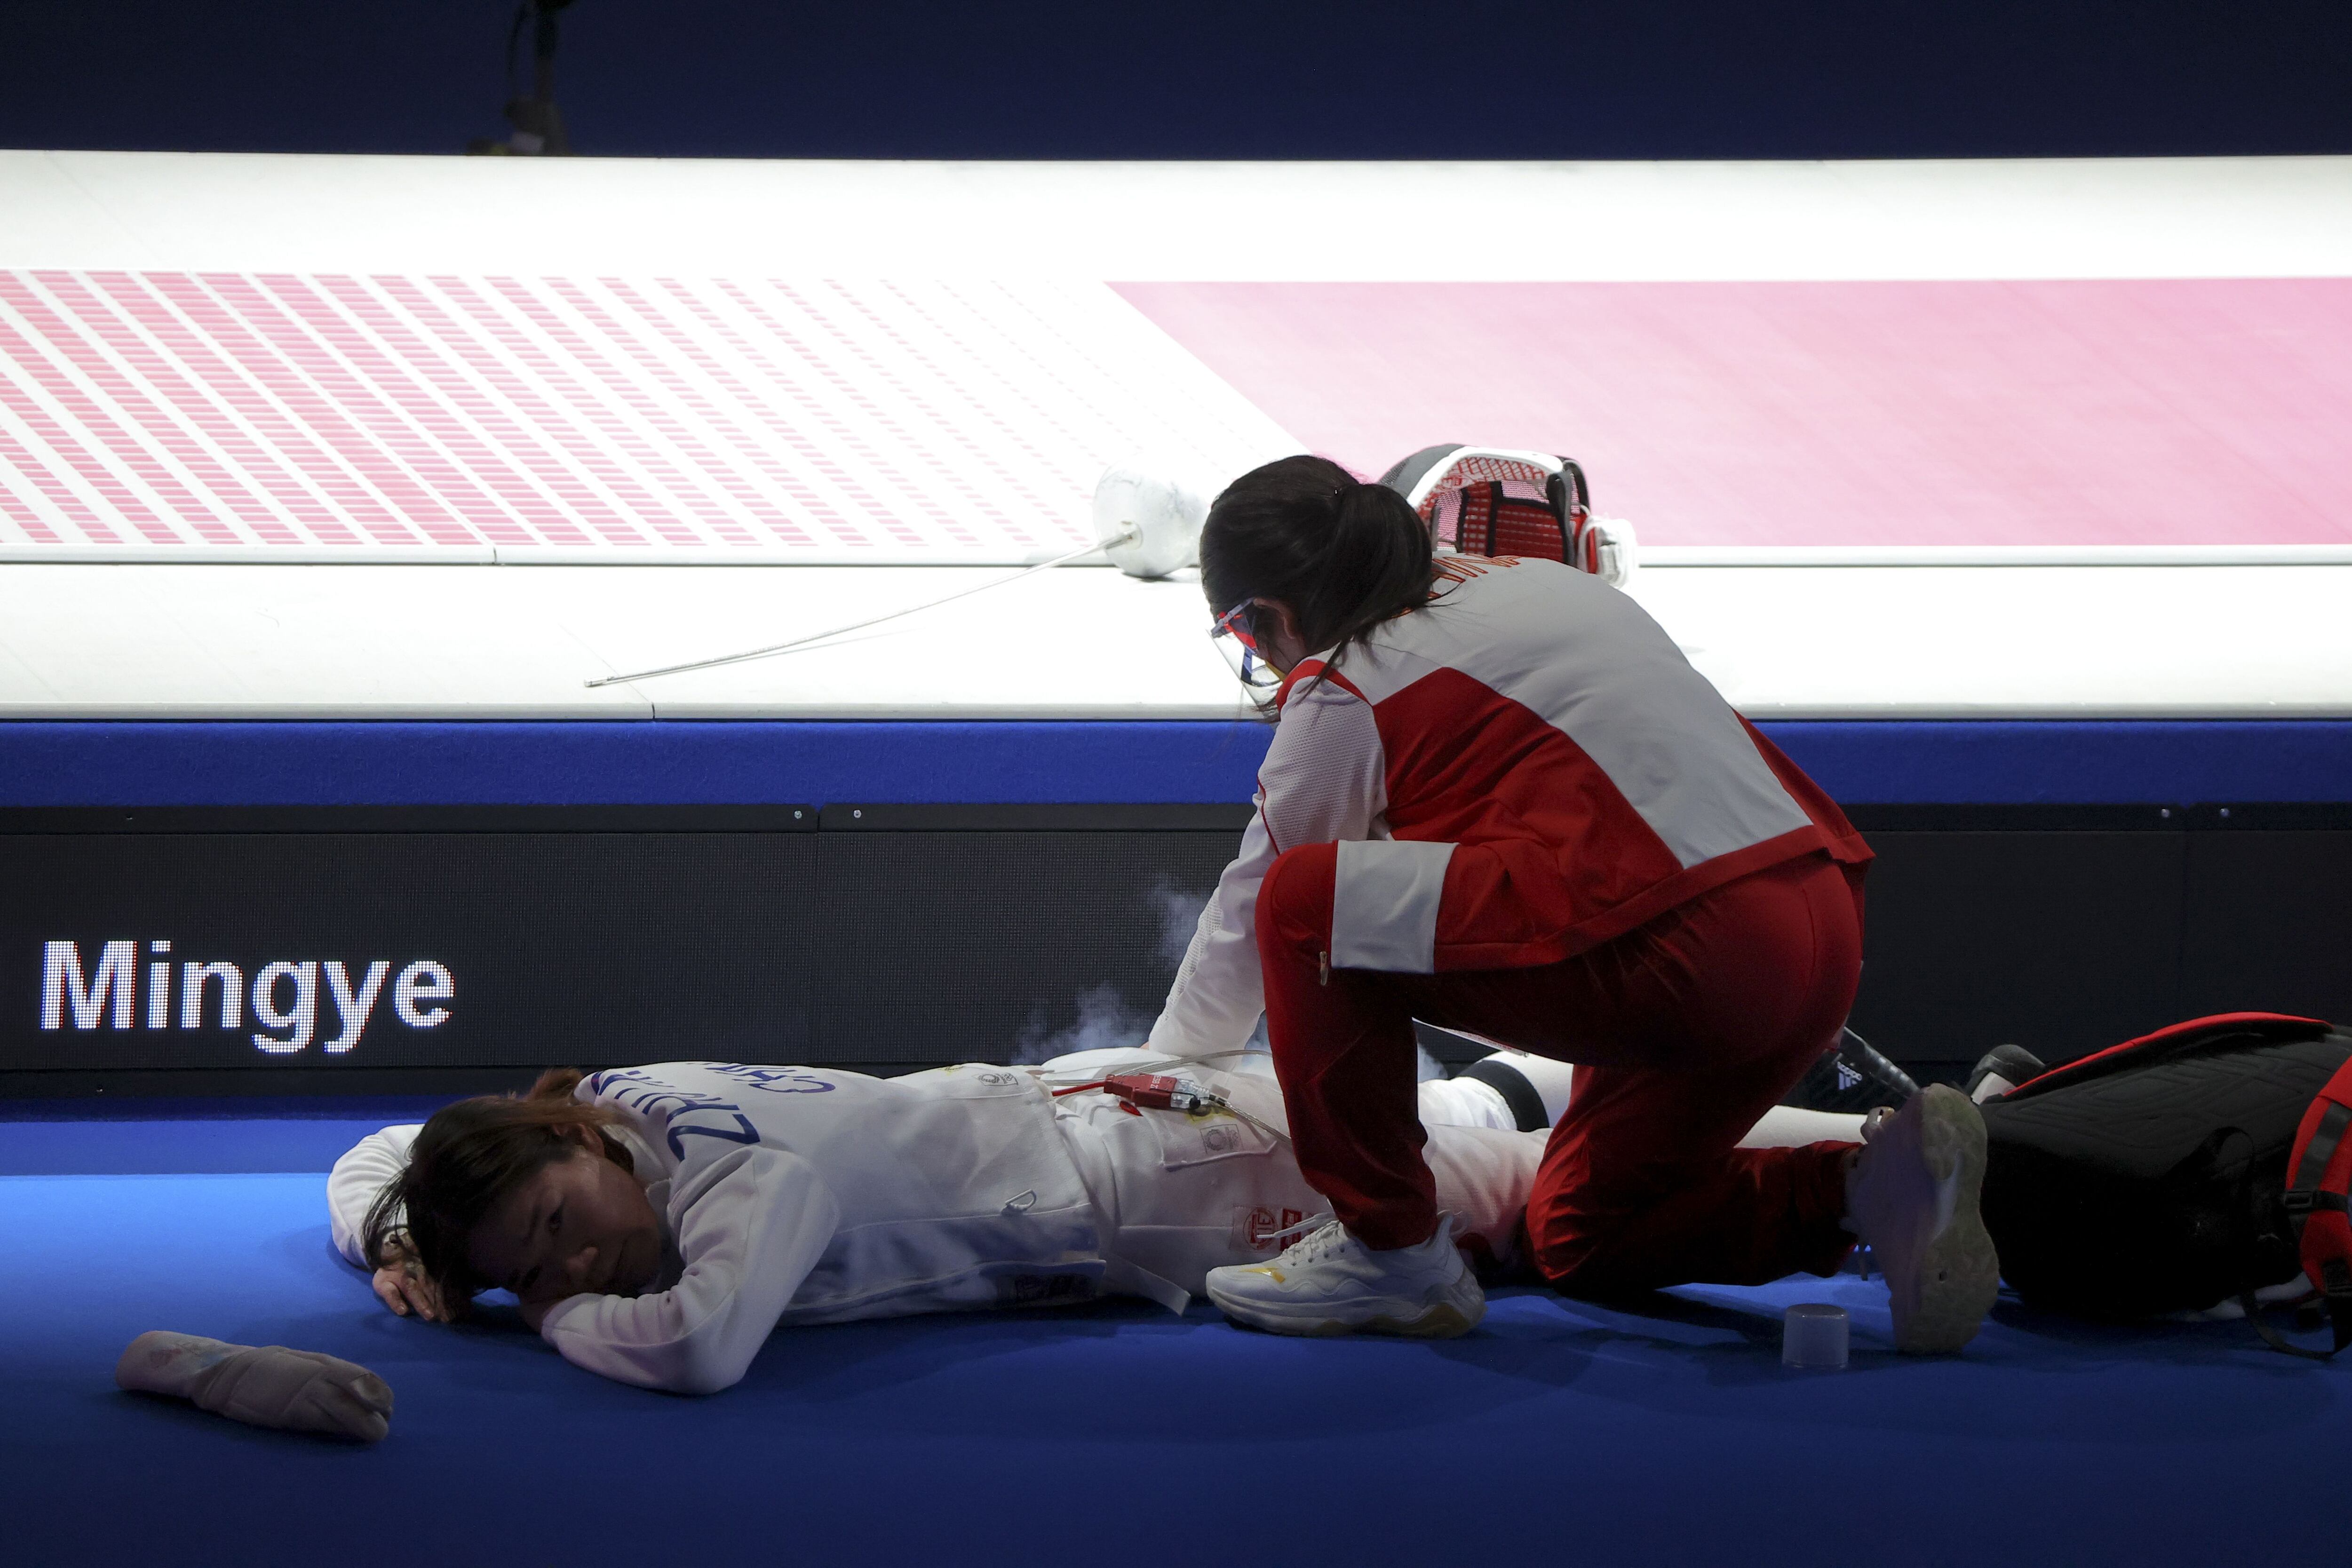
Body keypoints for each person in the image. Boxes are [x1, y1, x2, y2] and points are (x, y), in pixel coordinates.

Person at [1154, 454, 1997, 1353]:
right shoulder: (1540, 581)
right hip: (1818, 923)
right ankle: (1873, 1186)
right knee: (1579, 1229)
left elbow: (1254, 916)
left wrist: (1158, 1069)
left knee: (1306, 902)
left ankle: (1390, 1250)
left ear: (1264, 619)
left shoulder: (1343, 691)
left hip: (1689, 950)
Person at [331, 1048, 1861, 1394]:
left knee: (1525, 1211)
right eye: (533, 1266)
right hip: (1122, 1107)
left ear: (558, 1138)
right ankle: (1857, 1107)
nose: (576, 1260)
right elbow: (383, 1147)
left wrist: (544, 1318)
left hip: (1170, 1192)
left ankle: (1889, 1150)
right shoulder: (617, 1091)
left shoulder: (747, 1188)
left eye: (558, 1224)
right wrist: (399, 1238)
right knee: (1461, 1125)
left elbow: (702, 1344)